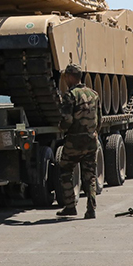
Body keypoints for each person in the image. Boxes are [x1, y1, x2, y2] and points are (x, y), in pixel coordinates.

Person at [56, 64, 102, 219]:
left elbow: (67, 120)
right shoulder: (94, 94)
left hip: (74, 141)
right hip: (90, 140)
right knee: (90, 174)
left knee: (65, 170)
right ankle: (91, 209)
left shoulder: (70, 95)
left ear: (70, 77)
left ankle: (70, 206)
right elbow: (99, 120)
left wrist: (61, 128)